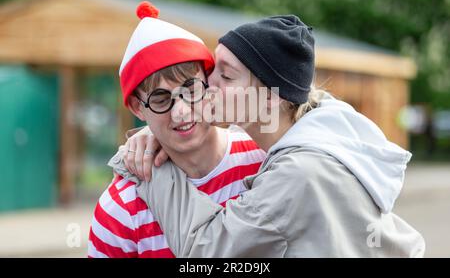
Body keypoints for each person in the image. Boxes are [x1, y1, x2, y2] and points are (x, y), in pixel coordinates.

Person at [114, 14, 426, 257]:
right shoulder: (323, 134)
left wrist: (151, 168)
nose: (209, 82)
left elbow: (205, 252)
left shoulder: (299, 173)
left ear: (270, 97)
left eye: (226, 74)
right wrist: (157, 131)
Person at [87, 2, 266, 258]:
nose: (180, 111)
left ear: (209, 82)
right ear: (138, 108)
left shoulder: (263, 158)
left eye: (190, 90)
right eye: (161, 99)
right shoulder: (119, 208)